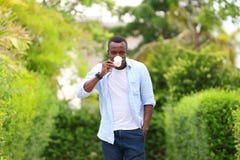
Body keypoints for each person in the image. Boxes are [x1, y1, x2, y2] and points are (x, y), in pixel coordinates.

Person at [77, 36, 155, 160]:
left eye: (121, 52)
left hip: (134, 132)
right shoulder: (99, 69)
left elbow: (149, 100)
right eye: (113, 52)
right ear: (108, 52)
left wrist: (144, 128)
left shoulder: (139, 69)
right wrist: (100, 75)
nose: (117, 55)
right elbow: (81, 93)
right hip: (109, 134)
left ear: (126, 52)